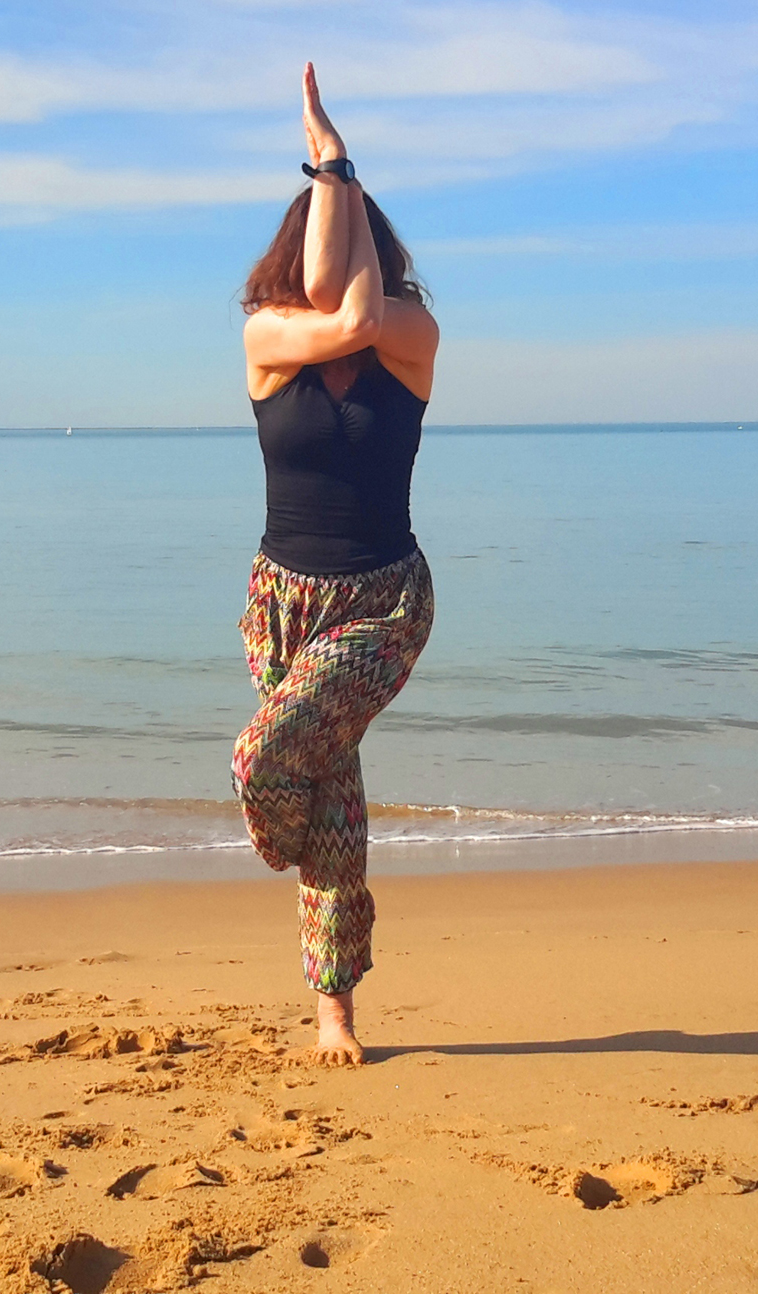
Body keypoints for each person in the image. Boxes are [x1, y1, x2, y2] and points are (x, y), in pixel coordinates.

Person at [231, 63, 441, 1066]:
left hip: (383, 602)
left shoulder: (410, 335)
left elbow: (352, 311)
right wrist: (338, 181)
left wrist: (333, 159)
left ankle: (289, 843)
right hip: (281, 604)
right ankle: (335, 1008)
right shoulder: (266, 338)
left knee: (265, 761)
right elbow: (323, 301)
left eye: (344, 213)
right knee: (336, 808)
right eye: (328, 209)